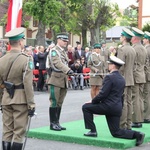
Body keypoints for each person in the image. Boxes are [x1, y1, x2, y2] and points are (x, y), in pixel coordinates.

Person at [82, 55, 145, 147]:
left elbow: (102, 94)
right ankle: (137, 134)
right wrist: (120, 107)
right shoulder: (122, 78)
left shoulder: (109, 77)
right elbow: (121, 95)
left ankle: (92, 131)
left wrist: (93, 101)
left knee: (86, 107)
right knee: (116, 132)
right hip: (117, 107)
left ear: (113, 66)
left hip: (108, 107)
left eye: (109, 64)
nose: (108, 66)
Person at [0, 27, 35, 150]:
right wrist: (31, 104)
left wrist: (1, 100)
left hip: (6, 99)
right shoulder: (26, 59)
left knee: (7, 131)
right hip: (20, 100)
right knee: (19, 132)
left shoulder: (1, 60)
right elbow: (28, 84)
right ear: (20, 42)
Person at [47, 33, 74, 131]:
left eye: (66, 41)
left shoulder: (63, 52)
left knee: (60, 102)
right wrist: (68, 70)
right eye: (63, 40)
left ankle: (57, 122)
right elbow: (57, 63)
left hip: (63, 79)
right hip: (55, 79)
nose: (65, 42)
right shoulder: (54, 51)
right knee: (54, 101)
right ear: (58, 40)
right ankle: (52, 123)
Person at [117, 28, 136, 130]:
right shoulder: (132, 49)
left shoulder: (122, 49)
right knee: (129, 102)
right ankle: (128, 124)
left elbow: (120, 66)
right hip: (130, 78)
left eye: (121, 36)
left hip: (123, 78)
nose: (120, 38)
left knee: (123, 102)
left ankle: (122, 125)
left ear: (124, 38)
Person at [131, 27, 147, 128]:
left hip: (136, 75)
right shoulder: (144, 48)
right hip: (142, 75)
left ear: (135, 38)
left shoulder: (134, 48)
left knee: (135, 98)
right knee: (140, 98)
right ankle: (140, 118)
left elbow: (132, 64)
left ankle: (136, 120)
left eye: (132, 37)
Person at [143, 31, 150, 123]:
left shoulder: (147, 49)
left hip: (147, 75)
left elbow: (146, 64)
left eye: (144, 38)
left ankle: (146, 116)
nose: (143, 40)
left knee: (146, 96)